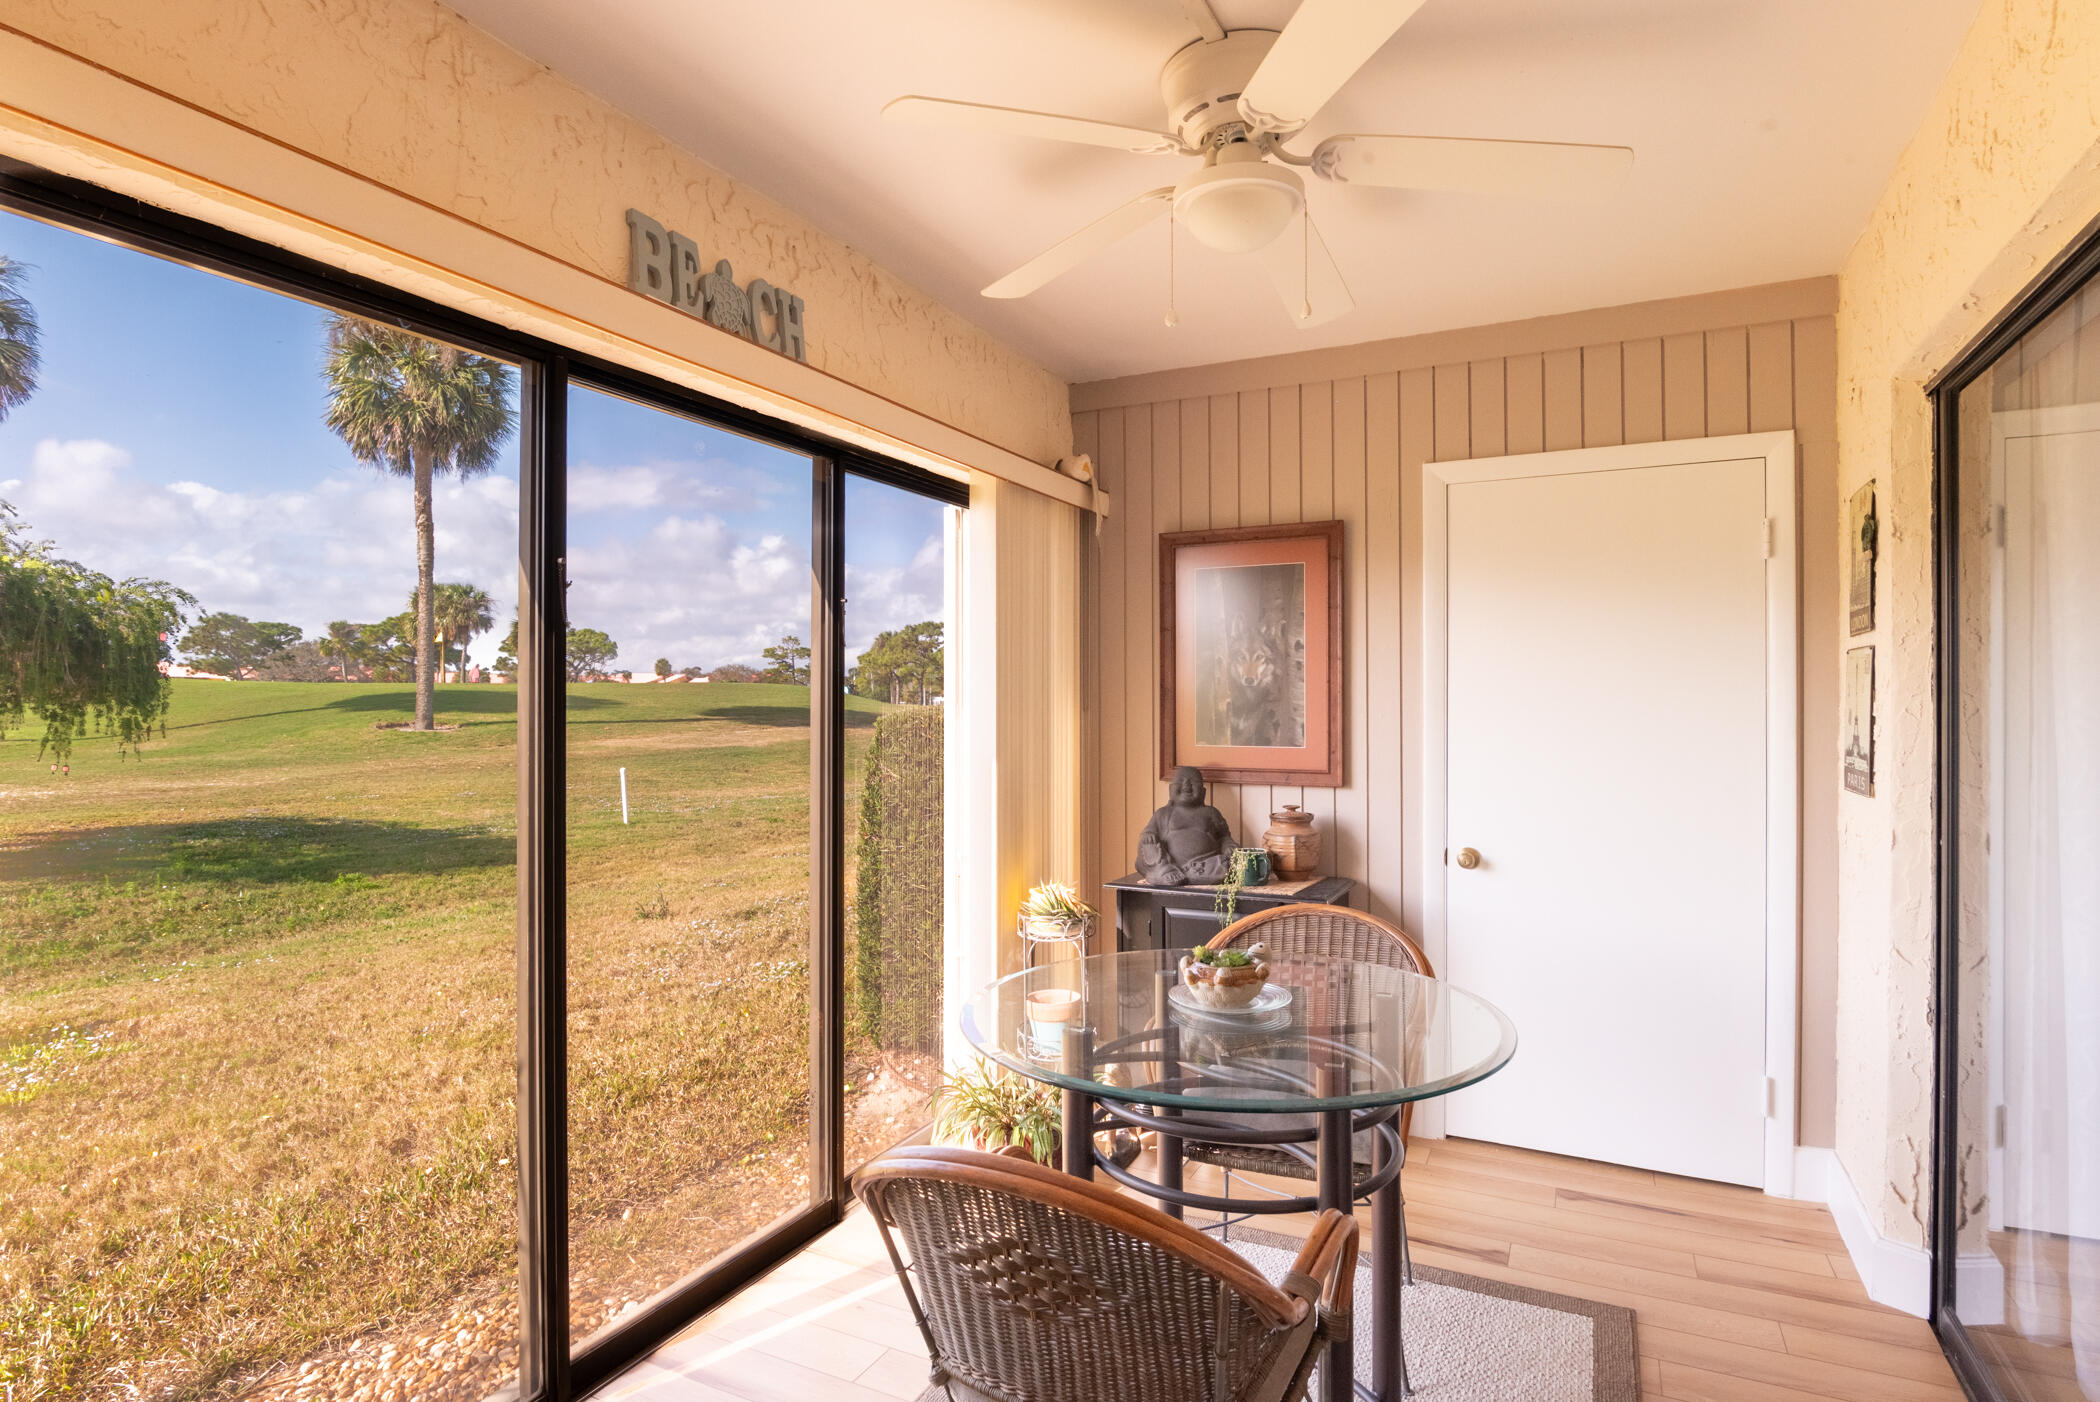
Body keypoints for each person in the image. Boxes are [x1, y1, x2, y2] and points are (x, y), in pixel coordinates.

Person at [1136, 765, 1235, 886]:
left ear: (1203, 792)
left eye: (1193, 782)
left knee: (1227, 864)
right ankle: (1165, 870)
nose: (1187, 785)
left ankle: (1192, 874)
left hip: (1205, 864)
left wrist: (1228, 846)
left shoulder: (1211, 812)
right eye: (1180, 781)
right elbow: (1148, 833)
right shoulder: (1163, 813)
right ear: (1171, 789)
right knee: (1147, 845)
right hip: (1170, 864)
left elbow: (1224, 836)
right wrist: (1148, 836)